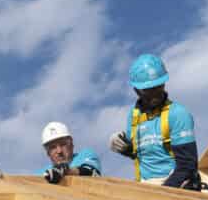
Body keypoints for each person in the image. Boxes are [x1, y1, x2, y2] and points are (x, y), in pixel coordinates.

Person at [109, 54, 199, 190]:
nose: (155, 93)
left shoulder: (177, 114)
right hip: (146, 185)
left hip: (175, 184)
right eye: (148, 90)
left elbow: (187, 165)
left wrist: (162, 193)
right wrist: (125, 147)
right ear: (136, 90)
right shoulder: (134, 116)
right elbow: (140, 154)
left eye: (158, 86)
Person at [37, 121, 102, 184]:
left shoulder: (86, 155)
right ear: (48, 153)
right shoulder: (39, 174)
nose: (59, 151)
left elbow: (91, 172)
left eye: (63, 144)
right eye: (53, 147)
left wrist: (65, 171)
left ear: (71, 144)